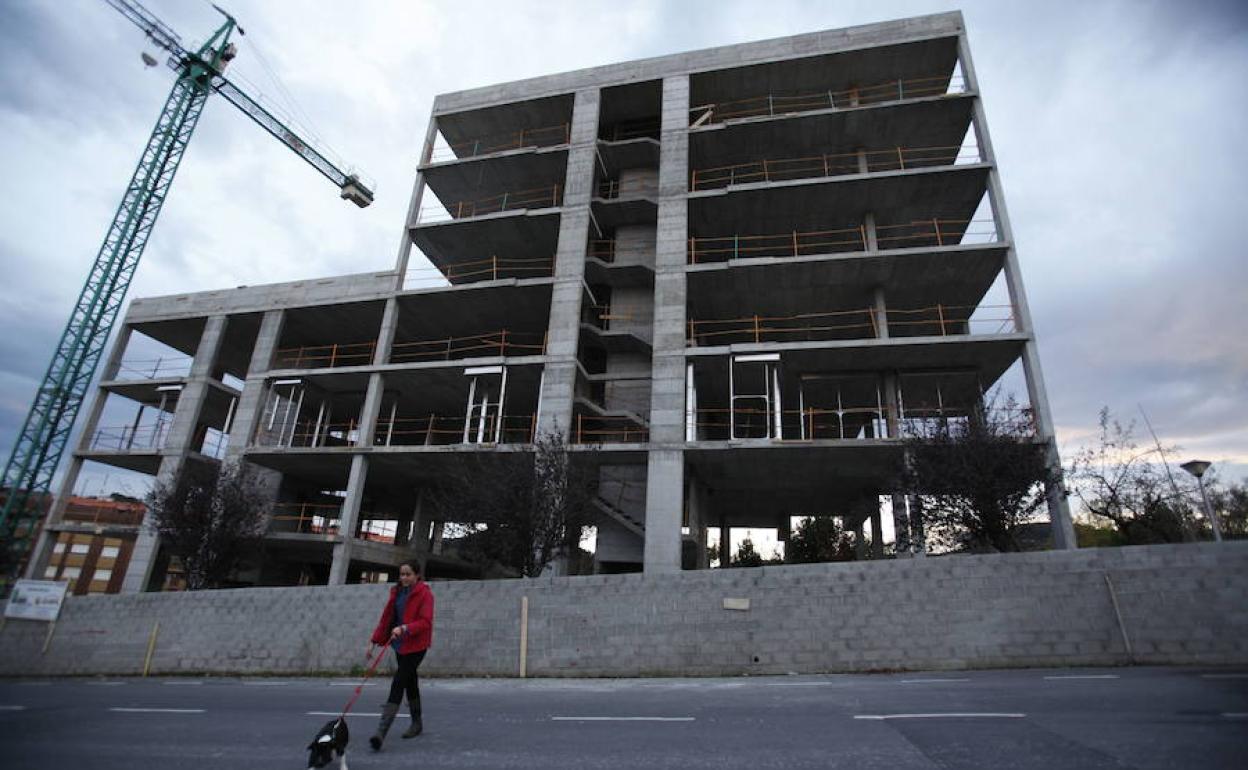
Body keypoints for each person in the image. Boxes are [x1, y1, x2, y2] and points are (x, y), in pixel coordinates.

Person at [367, 560, 434, 751]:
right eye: (402, 574)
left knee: (398, 681)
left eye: (408, 574)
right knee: (410, 682)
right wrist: (374, 641)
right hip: (399, 645)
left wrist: (405, 628)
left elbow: (426, 622)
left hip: (416, 646)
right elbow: (387, 618)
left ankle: (381, 732)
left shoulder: (425, 594)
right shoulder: (396, 592)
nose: (404, 577)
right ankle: (417, 723)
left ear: (417, 575)